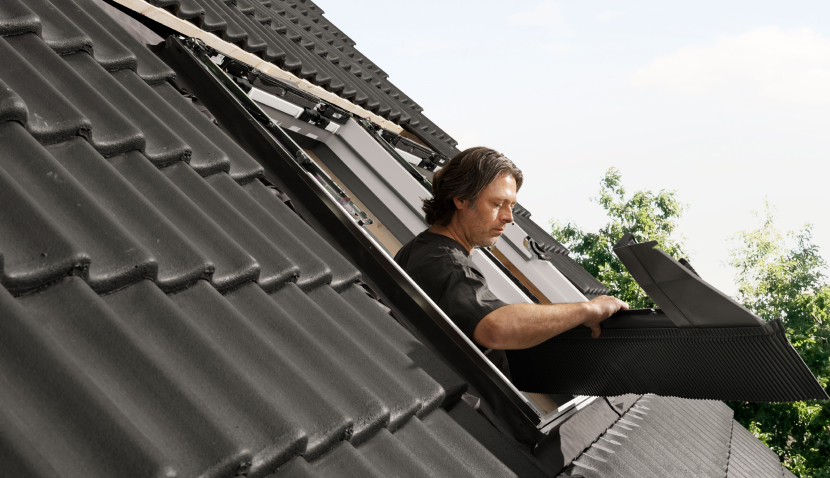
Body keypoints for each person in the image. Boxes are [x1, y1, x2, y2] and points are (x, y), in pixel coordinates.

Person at [394, 147, 628, 376]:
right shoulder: (446, 263)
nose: (508, 217)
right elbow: (494, 328)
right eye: (497, 204)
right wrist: (589, 309)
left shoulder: (421, 248)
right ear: (461, 199)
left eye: (512, 206)